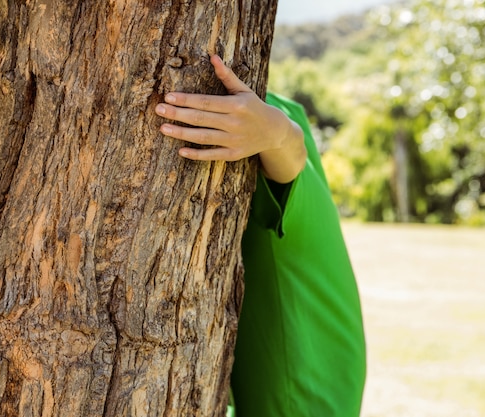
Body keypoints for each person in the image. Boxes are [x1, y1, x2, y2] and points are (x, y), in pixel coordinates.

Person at [155, 55, 366, 417]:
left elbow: (289, 160)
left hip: (303, 388)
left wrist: (276, 133)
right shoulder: (272, 106)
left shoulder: (269, 111)